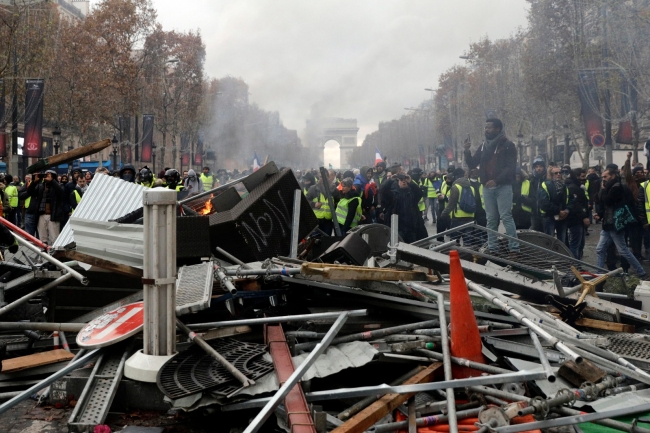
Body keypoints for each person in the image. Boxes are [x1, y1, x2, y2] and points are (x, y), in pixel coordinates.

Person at [464, 118, 519, 253]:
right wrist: (466, 151)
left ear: (498, 129)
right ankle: (492, 248)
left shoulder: (508, 145)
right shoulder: (483, 146)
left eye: (489, 127)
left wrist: (497, 180)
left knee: (506, 217)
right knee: (491, 219)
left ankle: (514, 249)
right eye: (485, 127)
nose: (486, 130)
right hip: (487, 188)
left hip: (503, 187)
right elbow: (472, 163)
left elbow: (510, 167)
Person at [595, 168, 647, 278]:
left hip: (615, 224)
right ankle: (598, 273)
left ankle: (641, 272)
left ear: (613, 176)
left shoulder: (617, 187)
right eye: (602, 177)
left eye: (605, 177)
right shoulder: (609, 187)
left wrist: (603, 190)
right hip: (608, 224)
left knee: (623, 250)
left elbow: (608, 201)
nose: (603, 179)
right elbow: (600, 201)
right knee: (600, 249)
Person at [382, 172, 425, 243]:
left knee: (412, 247)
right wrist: (390, 180)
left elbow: (419, 192)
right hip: (398, 227)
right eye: (401, 180)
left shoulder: (412, 194)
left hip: (411, 227)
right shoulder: (393, 194)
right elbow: (383, 191)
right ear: (398, 182)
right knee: (397, 246)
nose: (404, 181)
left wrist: (411, 182)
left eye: (405, 180)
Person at [440, 168, 476, 243]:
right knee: (468, 242)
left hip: (457, 218)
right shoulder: (472, 187)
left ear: (455, 176)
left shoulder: (455, 187)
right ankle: (467, 254)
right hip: (470, 217)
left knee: (454, 242)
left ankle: (457, 255)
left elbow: (451, 204)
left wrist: (443, 214)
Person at [539, 165, 572, 244]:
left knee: (562, 242)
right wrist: (558, 211)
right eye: (555, 173)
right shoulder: (545, 185)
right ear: (551, 174)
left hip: (563, 217)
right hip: (549, 216)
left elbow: (571, 200)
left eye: (560, 173)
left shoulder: (565, 186)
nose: (558, 174)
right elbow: (544, 202)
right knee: (549, 241)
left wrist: (567, 211)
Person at [565, 168, 589, 259]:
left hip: (578, 219)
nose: (584, 179)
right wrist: (584, 217)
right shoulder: (573, 187)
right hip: (575, 219)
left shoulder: (577, 186)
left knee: (580, 244)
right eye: (582, 176)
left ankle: (578, 264)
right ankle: (575, 265)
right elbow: (576, 204)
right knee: (575, 244)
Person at [306, 169, 339, 235]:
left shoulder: (334, 189)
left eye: (324, 176)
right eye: (320, 177)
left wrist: (334, 204)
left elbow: (339, 201)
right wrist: (314, 204)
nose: (322, 178)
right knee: (315, 240)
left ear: (328, 177)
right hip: (316, 219)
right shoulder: (313, 188)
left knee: (326, 240)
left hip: (328, 220)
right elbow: (305, 200)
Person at [37, 170, 64, 245]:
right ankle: (43, 254)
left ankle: (54, 255)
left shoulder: (59, 185)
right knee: (42, 239)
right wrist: (34, 181)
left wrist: (52, 181)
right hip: (41, 214)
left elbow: (60, 192)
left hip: (53, 215)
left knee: (54, 238)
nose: (47, 177)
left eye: (49, 175)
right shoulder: (41, 185)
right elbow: (31, 192)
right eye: (45, 175)